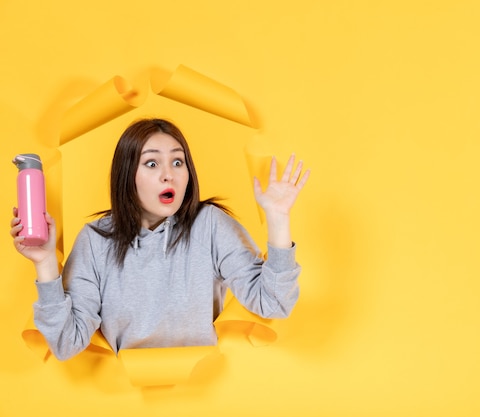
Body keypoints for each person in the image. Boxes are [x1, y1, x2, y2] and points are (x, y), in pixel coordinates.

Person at [9, 118, 310, 360]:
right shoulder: (95, 241)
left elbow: (273, 303)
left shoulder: (210, 225)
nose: (169, 175)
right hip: (127, 399)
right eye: (152, 164)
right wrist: (46, 262)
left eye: (178, 163)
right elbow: (66, 343)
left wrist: (278, 219)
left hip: (203, 393)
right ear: (128, 175)